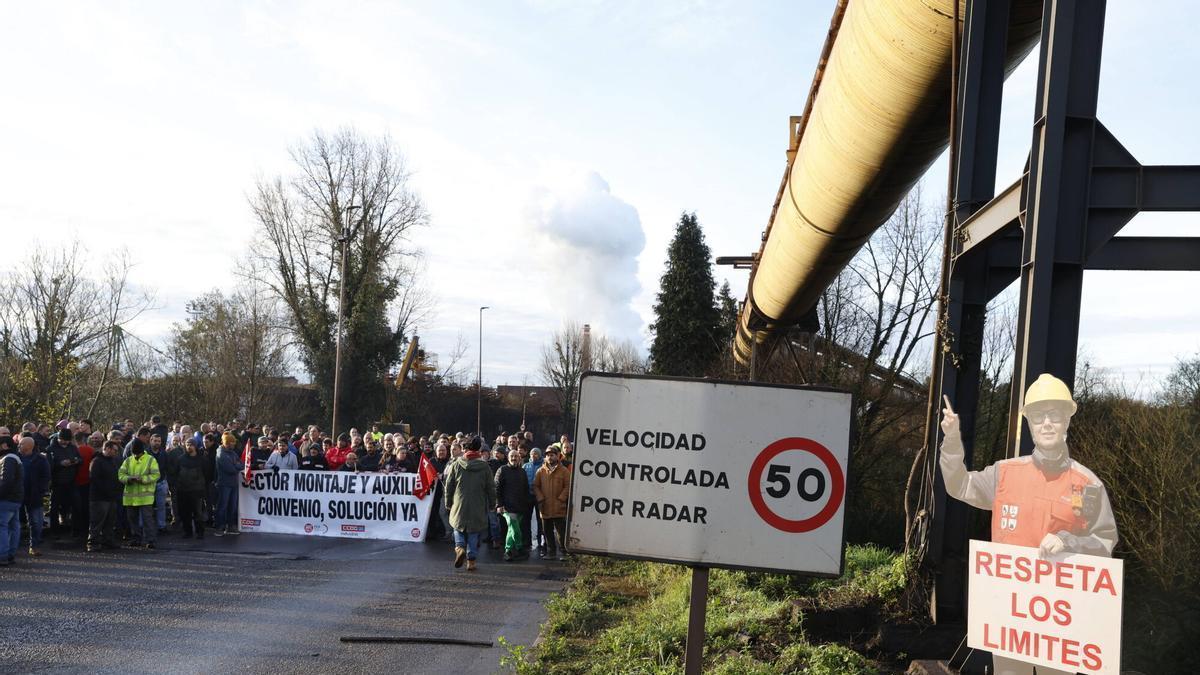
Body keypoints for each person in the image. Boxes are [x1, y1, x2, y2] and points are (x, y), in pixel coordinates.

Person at [940, 374, 1118, 675]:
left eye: (1055, 415)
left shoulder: (1087, 485)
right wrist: (953, 440)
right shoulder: (1004, 474)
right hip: (1011, 623)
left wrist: (1069, 541)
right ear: (1030, 424)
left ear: (1066, 421)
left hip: (1060, 628)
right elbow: (958, 485)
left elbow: (1104, 543)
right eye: (1039, 416)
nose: (1047, 423)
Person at [443, 436, 496, 572]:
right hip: (478, 503)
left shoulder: (456, 464)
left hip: (459, 502)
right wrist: (492, 503)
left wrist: (448, 502)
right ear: (479, 449)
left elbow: (449, 485)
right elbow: (491, 487)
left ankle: (459, 547)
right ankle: (471, 560)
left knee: (457, 526)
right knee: (474, 531)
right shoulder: (485, 467)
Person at [118, 437, 160, 549]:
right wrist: (129, 479)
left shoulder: (150, 460)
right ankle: (136, 538)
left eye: (138, 453)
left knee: (147, 519)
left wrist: (143, 479)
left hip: (145, 497)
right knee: (132, 520)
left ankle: (151, 540)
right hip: (131, 497)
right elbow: (120, 475)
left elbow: (156, 475)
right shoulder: (128, 461)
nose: (136, 455)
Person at [534, 444, 571, 561]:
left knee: (561, 531)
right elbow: (536, 486)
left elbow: (568, 486)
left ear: (558, 456)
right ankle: (551, 552)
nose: (550, 457)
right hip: (545, 507)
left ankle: (565, 553)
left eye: (552, 455)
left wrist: (561, 499)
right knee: (547, 532)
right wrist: (540, 498)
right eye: (548, 455)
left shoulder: (564, 471)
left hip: (559, 506)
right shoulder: (540, 471)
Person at [495, 448, 531, 561]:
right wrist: (499, 504)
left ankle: (509, 551)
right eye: (512, 456)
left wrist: (526, 504)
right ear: (508, 458)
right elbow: (496, 488)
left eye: (516, 456)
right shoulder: (502, 470)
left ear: (519, 458)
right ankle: (518, 548)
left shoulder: (522, 471)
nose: (514, 458)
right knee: (514, 527)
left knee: (512, 529)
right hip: (507, 507)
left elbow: (526, 489)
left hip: (520, 506)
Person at [87, 440, 123, 552]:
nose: (116, 453)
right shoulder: (97, 461)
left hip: (111, 497)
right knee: (97, 521)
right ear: (107, 448)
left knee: (110, 521)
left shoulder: (113, 461)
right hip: (99, 498)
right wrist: (107, 491)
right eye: (114, 450)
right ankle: (93, 543)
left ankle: (108, 540)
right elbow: (95, 479)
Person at [46, 427, 81, 534]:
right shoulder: (51, 449)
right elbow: (49, 465)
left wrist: (75, 461)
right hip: (57, 482)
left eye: (67, 441)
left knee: (76, 505)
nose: (65, 443)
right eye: (63, 440)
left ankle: (75, 529)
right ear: (58, 438)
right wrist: (60, 464)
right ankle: (54, 530)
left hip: (71, 481)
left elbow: (80, 459)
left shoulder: (73, 448)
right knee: (54, 508)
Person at [19, 436, 50, 556]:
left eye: (21, 444)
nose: (18, 446)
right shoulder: (15, 457)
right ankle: (11, 547)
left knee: (36, 522)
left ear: (28, 446)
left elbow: (46, 477)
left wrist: (39, 490)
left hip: (34, 495)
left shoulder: (40, 459)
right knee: (12, 522)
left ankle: (34, 546)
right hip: (16, 494)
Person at [175, 439, 208, 539]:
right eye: (187, 444)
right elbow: (175, 473)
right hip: (183, 490)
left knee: (198, 513)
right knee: (185, 513)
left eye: (191, 445)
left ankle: (200, 532)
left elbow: (207, 474)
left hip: (197, 490)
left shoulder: (202, 459)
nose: (189, 446)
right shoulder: (180, 459)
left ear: (195, 446)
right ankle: (187, 531)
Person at [0, 435, 24, 566]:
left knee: (2, 526)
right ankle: (10, 555)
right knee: (13, 527)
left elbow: (6, 481)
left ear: (4, 445)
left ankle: (2, 555)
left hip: (6, 499)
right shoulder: (15, 458)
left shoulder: (8, 459)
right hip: (15, 498)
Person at [213, 432, 243, 536]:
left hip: (233, 483)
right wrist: (236, 466)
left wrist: (236, 466)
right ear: (227, 443)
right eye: (232, 442)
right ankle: (219, 527)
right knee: (222, 506)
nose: (234, 444)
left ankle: (230, 526)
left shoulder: (232, 453)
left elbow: (241, 464)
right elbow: (230, 469)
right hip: (224, 484)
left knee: (232, 506)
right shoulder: (221, 453)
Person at [72, 431, 96, 537]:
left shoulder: (73, 450)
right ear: (84, 439)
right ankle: (85, 529)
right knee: (86, 506)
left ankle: (75, 529)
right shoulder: (90, 450)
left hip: (74, 482)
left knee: (75, 507)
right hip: (87, 482)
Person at [146, 434, 171, 534]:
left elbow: (167, 467)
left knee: (161, 506)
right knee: (147, 507)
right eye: (155, 441)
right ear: (151, 440)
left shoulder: (163, 453)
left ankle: (162, 525)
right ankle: (148, 527)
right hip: (148, 483)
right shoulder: (145, 453)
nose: (157, 443)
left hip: (161, 482)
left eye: (159, 441)